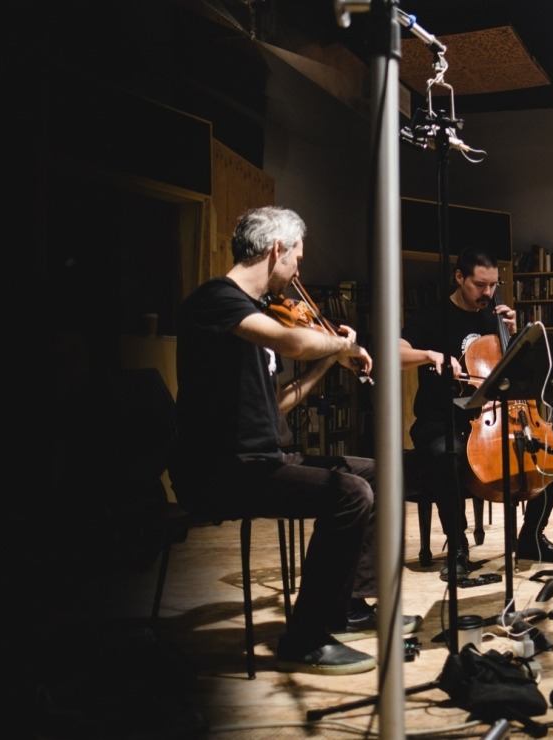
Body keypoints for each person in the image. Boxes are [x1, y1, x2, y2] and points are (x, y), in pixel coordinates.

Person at [170, 206, 419, 675]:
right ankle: (306, 637)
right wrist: (340, 346)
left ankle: (346, 606)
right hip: (220, 470)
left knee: (378, 471)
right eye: (297, 259)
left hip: (261, 458)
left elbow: (277, 403)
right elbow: (294, 343)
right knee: (349, 494)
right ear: (276, 250)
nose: (298, 270)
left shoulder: (255, 316)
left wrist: (326, 364)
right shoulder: (217, 301)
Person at [401, 247, 553, 579]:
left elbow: (516, 373)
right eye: (480, 285)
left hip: (494, 415)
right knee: (446, 453)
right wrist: (430, 355)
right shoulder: (431, 316)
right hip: (441, 416)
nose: (487, 293)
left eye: (492, 285)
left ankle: (531, 535)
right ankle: (457, 544)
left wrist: (517, 337)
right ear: (460, 278)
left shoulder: (495, 318)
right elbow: (397, 349)